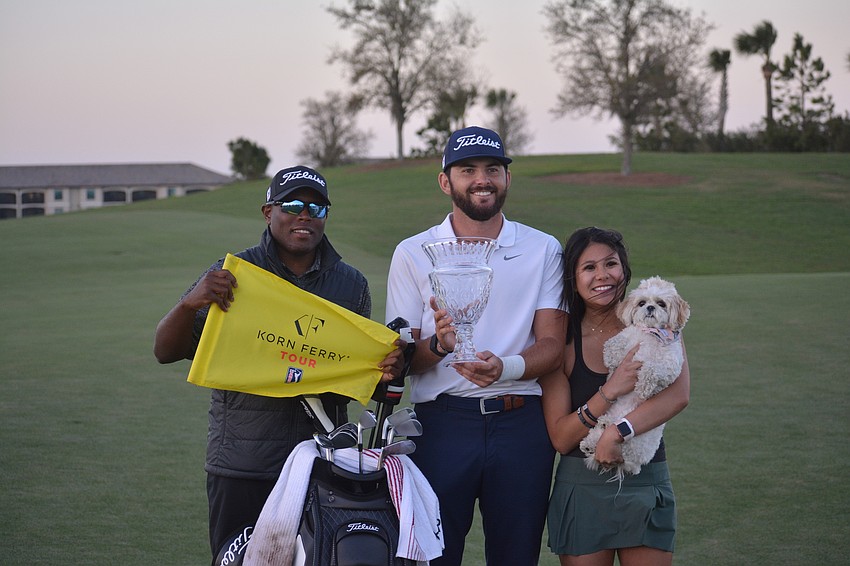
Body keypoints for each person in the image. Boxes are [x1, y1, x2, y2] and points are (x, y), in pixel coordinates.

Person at [153, 165, 405, 559]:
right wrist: (190, 304)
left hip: (320, 462)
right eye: (292, 205)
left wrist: (386, 369)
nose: (305, 215)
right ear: (268, 212)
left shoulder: (351, 284)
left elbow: (355, 377)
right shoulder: (233, 274)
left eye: (316, 208)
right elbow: (164, 351)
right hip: (242, 464)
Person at [385, 126, 566, 566]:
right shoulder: (412, 252)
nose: (482, 179)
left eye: (492, 169)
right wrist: (440, 345)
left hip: (520, 424)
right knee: (433, 557)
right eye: (467, 170)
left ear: (507, 178)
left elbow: (552, 345)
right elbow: (401, 360)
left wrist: (505, 367)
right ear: (445, 181)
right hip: (441, 426)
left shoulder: (542, 248)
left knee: (516, 556)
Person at [539, 226, 690, 566]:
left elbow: (679, 396)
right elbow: (561, 438)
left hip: (644, 478)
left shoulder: (658, 322)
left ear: (624, 269)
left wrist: (616, 432)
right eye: (588, 267)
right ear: (573, 278)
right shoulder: (561, 340)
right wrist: (610, 391)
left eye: (611, 264)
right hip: (582, 485)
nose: (602, 275)